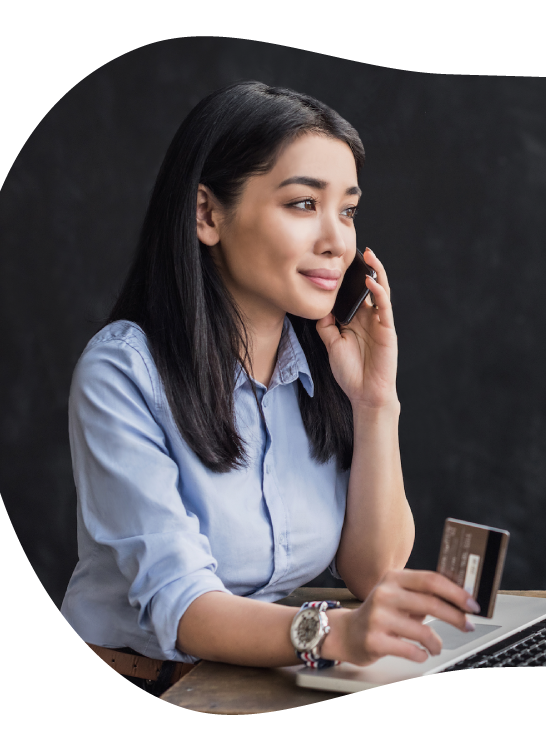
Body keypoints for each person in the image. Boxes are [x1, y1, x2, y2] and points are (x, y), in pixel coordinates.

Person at [60, 81, 477, 696]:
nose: (338, 240)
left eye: (348, 209)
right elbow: (186, 607)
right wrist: (334, 635)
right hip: (156, 681)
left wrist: (374, 402)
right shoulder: (123, 372)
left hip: (265, 680)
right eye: (304, 204)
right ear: (207, 214)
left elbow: (375, 574)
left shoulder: (321, 364)